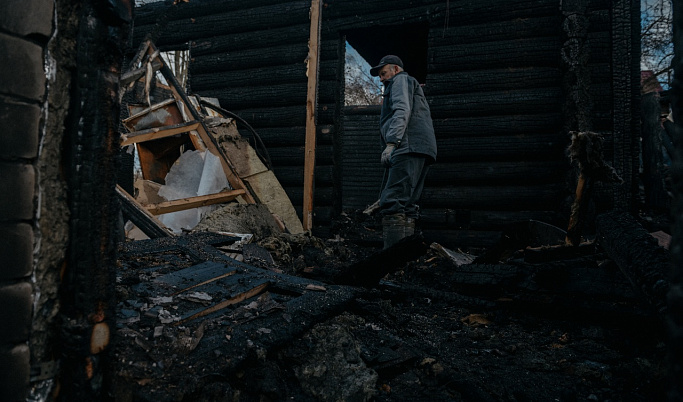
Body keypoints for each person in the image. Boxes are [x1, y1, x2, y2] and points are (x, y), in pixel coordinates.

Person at [369, 55, 437, 247]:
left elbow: (401, 109)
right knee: (408, 205)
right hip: (422, 148)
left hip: (406, 146)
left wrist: (392, 143)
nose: (381, 78)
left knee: (393, 201)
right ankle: (404, 262)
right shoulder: (412, 85)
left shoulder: (400, 80)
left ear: (396, 69)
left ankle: (390, 263)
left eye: (383, 73)